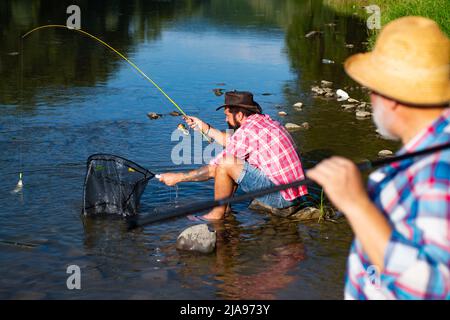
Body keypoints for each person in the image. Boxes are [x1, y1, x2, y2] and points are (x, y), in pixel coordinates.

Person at [307, 16, 450, 299]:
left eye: (373, 87)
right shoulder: (432, 146)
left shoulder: (437, 171)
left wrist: (356, 204)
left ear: (392, 96)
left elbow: (436, 287)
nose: (370, 96)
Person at [158, 90, 308, 220]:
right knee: (235, 159)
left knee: (225, 163)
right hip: (294, 192)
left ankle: (217, 215)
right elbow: (232, 141)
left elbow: (214, 169)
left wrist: (178, 177)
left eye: (227, 115)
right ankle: (227, 208)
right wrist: (204, 127)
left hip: (282, 198)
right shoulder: (263, 121)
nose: (225, 119)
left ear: (240, 115)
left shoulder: (247, 132)